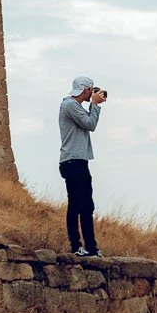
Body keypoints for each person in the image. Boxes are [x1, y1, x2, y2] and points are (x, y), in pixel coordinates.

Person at [58, 76, 106, 257]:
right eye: (91, 90)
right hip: (72, 161)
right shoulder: (69, 106)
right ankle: (76, 246)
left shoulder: (76, 107)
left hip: (80, 161)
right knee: (76, 204)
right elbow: (90, 124)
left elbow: (87, 123)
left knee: (87, 206)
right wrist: (94, 105)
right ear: (85, 90)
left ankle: (92, 248)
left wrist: (92, 105)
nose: (93, 93)